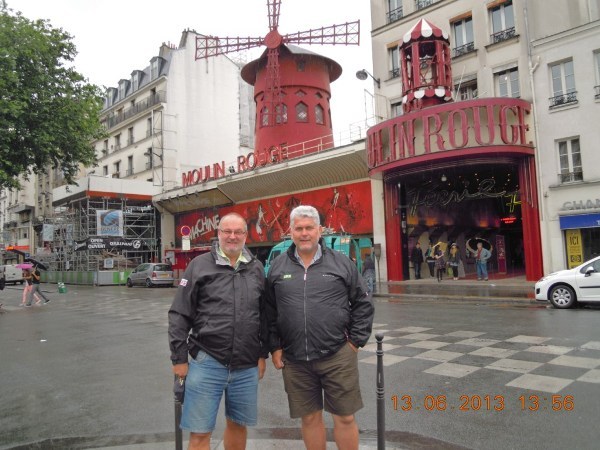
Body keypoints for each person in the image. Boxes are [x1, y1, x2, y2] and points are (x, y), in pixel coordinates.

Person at [266, 205, 374, 450]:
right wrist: (275, 347)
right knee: (309, 418)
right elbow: (269, 311)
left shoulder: (341, 263)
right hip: (295, 359)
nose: (304, 233)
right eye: (299, 228)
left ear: (320, 230)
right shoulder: (278, 267)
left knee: (345, 417)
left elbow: (363, 302)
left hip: (337, 355)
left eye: (309, 228)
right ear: (290, 231)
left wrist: (354, 342)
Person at [168, 213, 269, 450]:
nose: (232, 236)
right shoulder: (199, 265)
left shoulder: (256, 268)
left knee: (238, 425)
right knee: (200, 432)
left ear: (246, 235)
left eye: (238, 232)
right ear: (219, 234)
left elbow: (264, 315)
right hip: (207, 361)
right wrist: (179, 358)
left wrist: (262, 353)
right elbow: (179, 313)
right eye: (227, 231)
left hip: (246, 365)